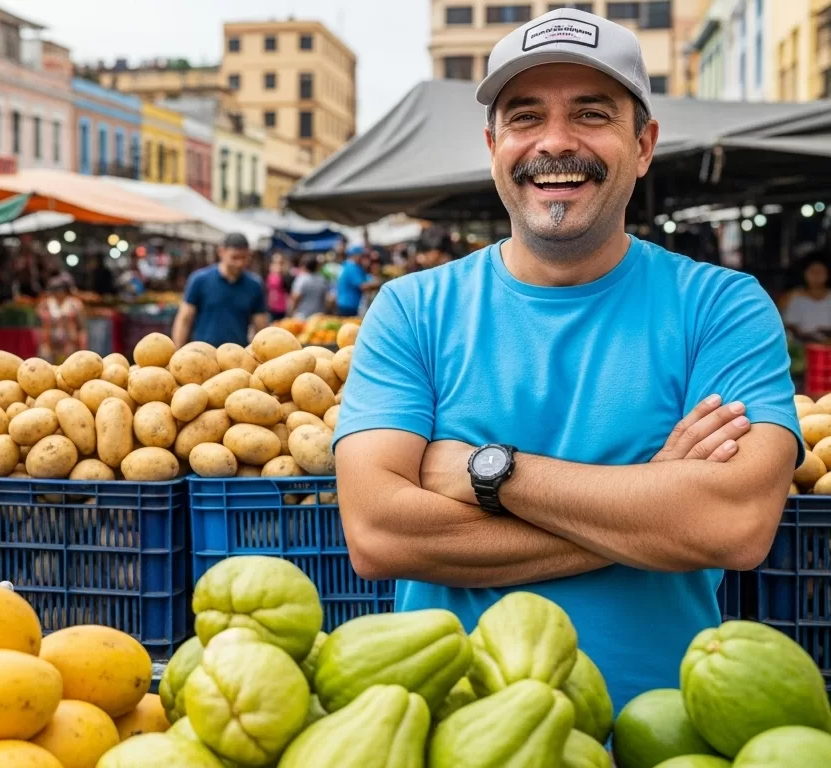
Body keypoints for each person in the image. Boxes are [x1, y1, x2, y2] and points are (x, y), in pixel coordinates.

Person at [333, 8, 799, 717]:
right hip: (458, 731)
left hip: (666, 731)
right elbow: (377, 533)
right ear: (493, 145)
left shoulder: (723, 307)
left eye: (590, 113)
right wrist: (649, 506)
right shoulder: (409, 311)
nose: (555, 142)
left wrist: (485, 471)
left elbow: (732, 526)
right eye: (525, 117)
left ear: (642, 144)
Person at [172, 232, 269, 348]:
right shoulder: (199, 280)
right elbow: (184, 319)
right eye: (235, 258)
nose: (239, 263)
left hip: (237, 357)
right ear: (221, 252)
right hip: (202, 354)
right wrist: (177, 351)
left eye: (244, 258)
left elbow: (260, 326)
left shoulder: (254, 285)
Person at [37, 274, 87, 363]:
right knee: (46, 360)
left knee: (70, 364)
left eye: (61, 290)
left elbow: (82, 327)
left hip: (70, 342)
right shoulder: (45, 305)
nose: (59, 293)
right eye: (56, 291)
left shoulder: (75, 305)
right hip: (49, 342)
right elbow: (39, 325)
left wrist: (83, 343)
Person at [781, 256, 831, 343]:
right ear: (804, 274)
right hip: (803, 346)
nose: (816, 275)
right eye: (812, 272)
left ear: (828, 274)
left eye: (820, 271)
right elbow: (790, 326)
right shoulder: (796, 298)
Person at [335, 246, 368, 317]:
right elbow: (363, 286)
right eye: (362, 256)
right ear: (356, 255)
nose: (363, 258)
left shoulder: (347, 265)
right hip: (349, 305)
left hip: (344, 303)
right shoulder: (352, 268)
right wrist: (380, 283)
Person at [266, 253, 291, 321]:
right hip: (271, 307)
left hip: (282, 308)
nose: (278, 265)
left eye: (280, 263)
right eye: (275, 262)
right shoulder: (270, 275)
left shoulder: (285, 276)